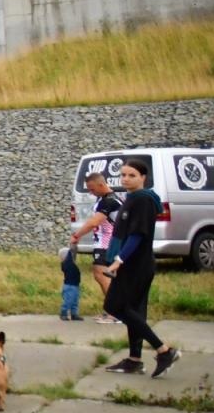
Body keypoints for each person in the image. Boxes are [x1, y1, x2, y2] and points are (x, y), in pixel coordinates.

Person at [98, 158, 180, 378]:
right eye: (123, 175)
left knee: (114, 306)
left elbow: (137, 235)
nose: (125, 178)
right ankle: (134, 360)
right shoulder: (132, 198)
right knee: (133, 311)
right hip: (134, 264)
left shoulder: (142, 200)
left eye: (131, 175)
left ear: (143, 178)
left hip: (135, 265)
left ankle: (164, 350)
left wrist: (118, 261)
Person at [72, 168, 125, 323]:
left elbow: (94, 222)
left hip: (106, 243)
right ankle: (112, 310)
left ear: (101, 185)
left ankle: (116, 312)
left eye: (92, 189)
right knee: (103, 276)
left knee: (101, 274)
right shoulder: (105, 198)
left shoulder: (109, 201)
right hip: (103, 242)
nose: (91, 193)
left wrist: (77, 235)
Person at [59, 246, 83, 321]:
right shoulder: (66, 263)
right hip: (70, 286)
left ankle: (74, 314)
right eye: (69, 254)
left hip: (75, 285)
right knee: (68, 301)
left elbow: (72, 255)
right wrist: (73, 245)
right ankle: (63, 313)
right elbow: (70, 253)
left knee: (75, 301)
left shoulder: (70, 262)